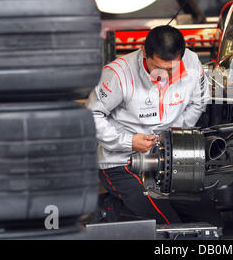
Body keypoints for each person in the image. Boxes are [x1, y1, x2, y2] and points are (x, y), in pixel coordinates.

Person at [87, 25, 222, 226]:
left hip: (170, 161)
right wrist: (128, 141)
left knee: (210, 224)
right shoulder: (117, 73)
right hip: (121, 162)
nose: (164, 75)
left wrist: (175, 136)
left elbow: (199, 101)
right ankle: (109, 209)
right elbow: (91, 115)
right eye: (158, 67)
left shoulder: (192, 63)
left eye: (171, 69)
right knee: (168, 226)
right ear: (144, 52)